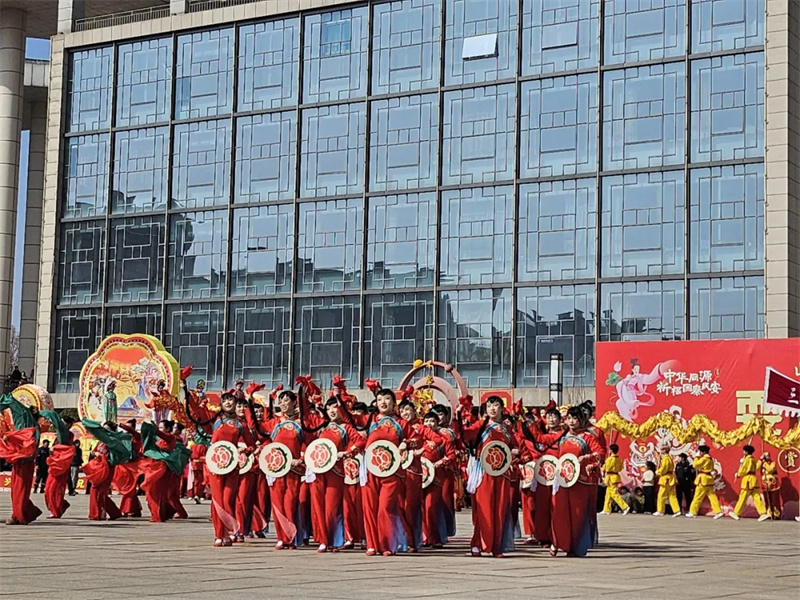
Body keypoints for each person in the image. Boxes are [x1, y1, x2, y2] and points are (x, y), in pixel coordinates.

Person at [521, 404, 604, 557]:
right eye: (569, 418)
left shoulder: (588, 437)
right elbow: (540, 438)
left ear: (581, 420)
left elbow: (600, 453)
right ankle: (558, 542)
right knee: (559, 512)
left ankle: (575, 547)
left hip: (580, 481)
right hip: (562, 480)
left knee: (577, 514)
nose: (571, 421)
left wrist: (587, 458)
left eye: (575, 418)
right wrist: (531, 423)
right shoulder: (562, 436)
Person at [460, 396, 519, 558]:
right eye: (489, 406)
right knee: (484, 509)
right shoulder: (481, 425)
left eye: (496, 405)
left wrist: (514, 452)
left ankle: (497, 546)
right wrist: (458, 416)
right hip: (484, 471)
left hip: (502, 472)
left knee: (500, 510)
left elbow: (515, 446)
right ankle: (478, 544)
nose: (492, 409)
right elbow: (465, 435)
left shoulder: (506, 429)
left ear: (502, 408)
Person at [308, 397, 366, 553]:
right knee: (318, 506)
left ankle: (333, 540)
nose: (332, 411)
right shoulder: (322, 425)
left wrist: (347, 453)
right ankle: (323, 540)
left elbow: (360, 441)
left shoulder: (346, 428)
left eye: (335, 407)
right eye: (329, 408)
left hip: (336, 471)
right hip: (317, 470)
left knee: (332, 507)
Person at [0, 394, 42, 525]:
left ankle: (19, 515)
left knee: (21, 490)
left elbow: (27, 442)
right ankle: (27, 512)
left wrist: (10, 437)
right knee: (16, 490)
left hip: (26, 462)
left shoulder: (33, 429)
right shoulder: (25, 429)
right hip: (19, 461)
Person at [420, 411, 456, 548]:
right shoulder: (419, 439)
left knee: (432, 507)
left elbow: (451, 455)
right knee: (421, 508)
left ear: (437, 423)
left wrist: (440, 462)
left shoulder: (443, 439)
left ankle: (435, 538)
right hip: (420, 478)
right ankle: (424, 538)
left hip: (436, 478)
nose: (429, 424)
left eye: (432, 421)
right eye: (426, 421)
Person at [40, 412, 76, 519]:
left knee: (55, 489)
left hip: (61, 464)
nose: (61, 425)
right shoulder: (58, 435)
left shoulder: (68, 435)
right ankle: (61, 505)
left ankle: (55, 511)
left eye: (63, 423)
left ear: (68, 425)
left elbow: (65, 448)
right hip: (54, 463)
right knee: (47, 489)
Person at [731, 444, 768, 522]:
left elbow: (744, 469)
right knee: (756, 497)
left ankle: (736, 512)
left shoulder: (747, 459)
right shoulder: (753, 459)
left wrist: (738, 474)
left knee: (743, 497)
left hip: (748, 479)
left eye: (744, 451)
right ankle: (763, 513)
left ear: (746, 452)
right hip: (753, 479)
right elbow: (756, 467)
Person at [687, 445, 723, 519]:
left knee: (698, 496)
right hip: (709, 479)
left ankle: (693, 512)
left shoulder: (704, 459)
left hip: (703, 479)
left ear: (703, 452)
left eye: (700, 451)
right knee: (712, 496)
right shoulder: (710, 459)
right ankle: (718, 511)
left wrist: (696, 457)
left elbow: (695, 465)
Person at [600, 444, 630, 515]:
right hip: (615, 476)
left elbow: (606, 468)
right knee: (608, 494)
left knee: (614, 494)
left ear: (611, 450)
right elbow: (620, 468)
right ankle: (606, 509)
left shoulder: (610, 459)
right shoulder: (619, 459)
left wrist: (603, 466)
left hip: (610, 477)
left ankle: (625, 507)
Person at [654, 445, 681, 517]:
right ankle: (677, 510)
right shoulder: (668, 458)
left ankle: (660, 511)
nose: (661, 451)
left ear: (665, 450)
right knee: (672, 495)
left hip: (666, 478)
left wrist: (658, 472)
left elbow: (664, 469)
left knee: (661, 495)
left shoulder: (666, 458)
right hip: (670, 478)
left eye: (662, 449)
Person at [758, 452, 781, 519]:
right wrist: (760, 460)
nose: (766, 457)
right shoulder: (762, 464)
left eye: (767, 456)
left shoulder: (773, 463)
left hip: (772, 483)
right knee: (767, 499)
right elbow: (757, 467)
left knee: (774, 499)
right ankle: (769, 513)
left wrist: (765, 463)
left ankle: (776, 514)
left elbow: (770, 469)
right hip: (765, 483)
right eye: (765, 456)